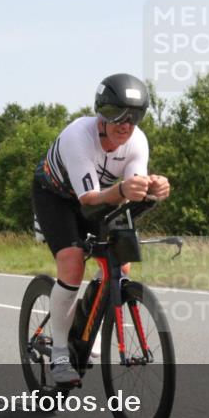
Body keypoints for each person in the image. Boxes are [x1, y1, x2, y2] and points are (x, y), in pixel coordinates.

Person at [31, 73, 171, 385]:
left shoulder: (137, 142)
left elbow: (128, 195)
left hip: (101, 197)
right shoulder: (78, 136)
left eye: (134, 116)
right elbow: (89, 202)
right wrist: (123, 190)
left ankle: (88, 320)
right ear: (100, 115)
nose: (125, 124)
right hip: (57, 197)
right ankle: (60, 353)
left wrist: (152, 190)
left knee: (120, 263)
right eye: (116, 114)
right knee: (72, 262)